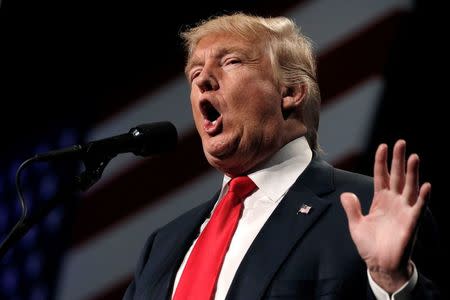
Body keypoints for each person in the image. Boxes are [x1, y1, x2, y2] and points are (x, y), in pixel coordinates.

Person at [123, 13, 441, 299]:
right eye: (194, 74)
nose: (203, 80)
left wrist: (392, 282)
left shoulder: (367, 206)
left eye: (231, 61)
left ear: (289, 91)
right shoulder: (162, 246)